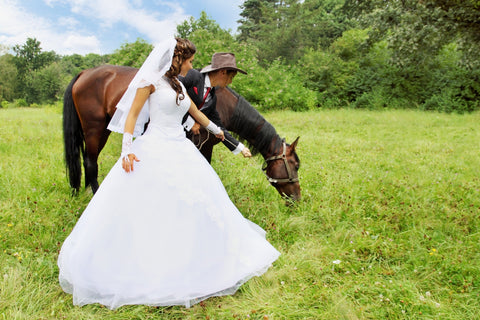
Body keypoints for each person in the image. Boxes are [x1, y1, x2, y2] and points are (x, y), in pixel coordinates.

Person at [57, 37, 280, 310]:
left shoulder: (179, 85)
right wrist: (126, 149)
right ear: (176, 59)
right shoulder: (148, 82)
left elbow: (200, 116)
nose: (192, 65)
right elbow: (131, 116)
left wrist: (235, 145)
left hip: (180, 150)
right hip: (152, 149)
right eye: (189, 60)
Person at [180, 52, 252, 162]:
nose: (231, 81)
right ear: (222, 72)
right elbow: (173, 93)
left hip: (185, 139)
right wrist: (189, 122)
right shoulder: (193, 76)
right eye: (231, 77)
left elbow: (219, 126)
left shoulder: (212, 98)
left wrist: (240, 147)